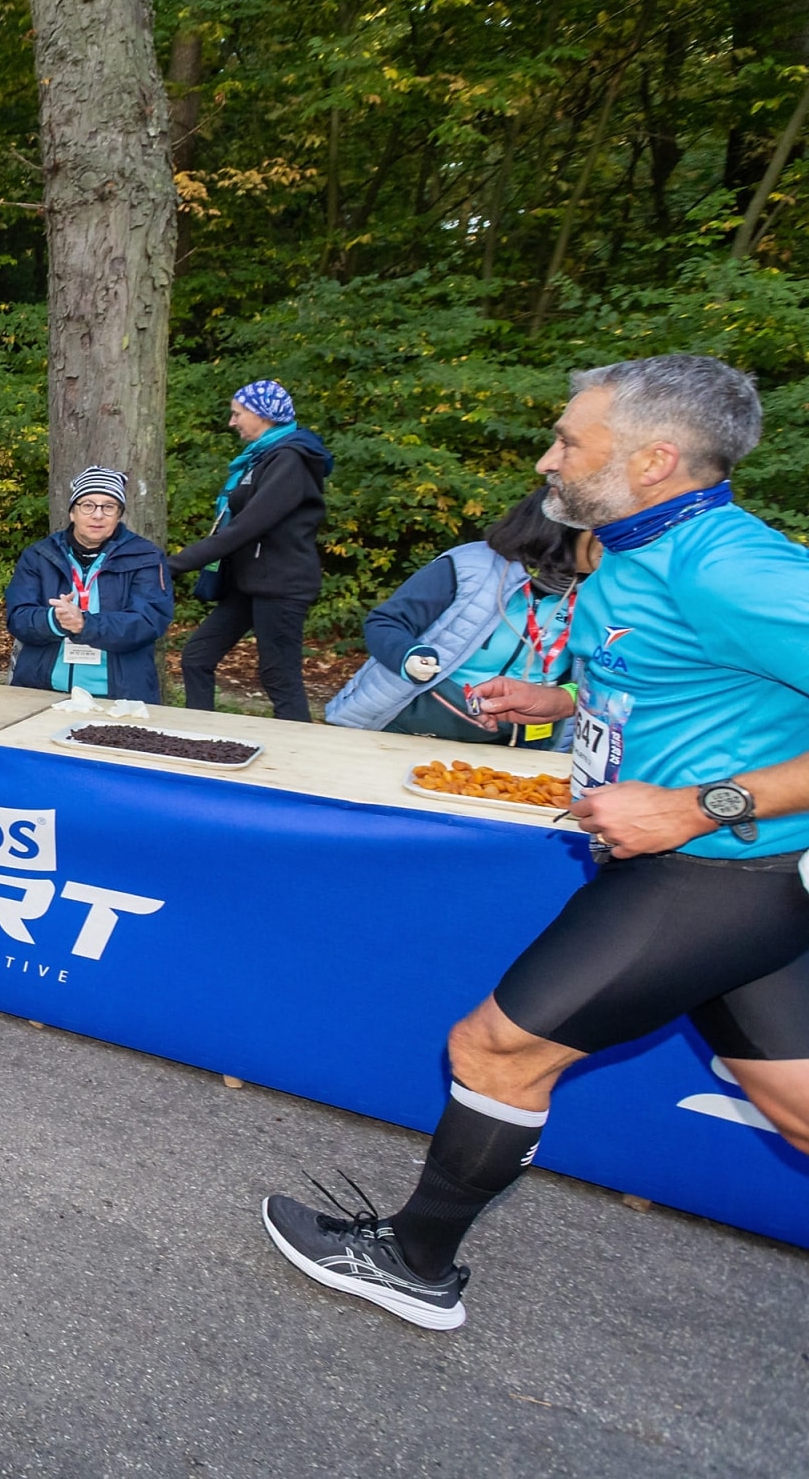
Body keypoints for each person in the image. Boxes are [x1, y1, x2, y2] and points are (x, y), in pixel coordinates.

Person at [261, 353, 809, 1333]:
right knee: (797, 1105)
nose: (548, 457)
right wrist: (562, 700)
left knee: (495, 1047)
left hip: (710, 872)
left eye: (569, 439)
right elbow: (691, 680)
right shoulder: (628, 549)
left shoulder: (728, 564)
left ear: (654, 459)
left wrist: (695, 804)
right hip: (716, 879)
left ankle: (414, 1262)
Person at [324, 486, 595, 749]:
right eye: (599, 530)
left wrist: (566, 697)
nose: (610, 542)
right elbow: (386, 623)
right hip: (412, 727)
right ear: (563, 530)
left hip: (517, 742)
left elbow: (606, 676)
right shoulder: (471, 566)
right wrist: (410, 657)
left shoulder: (604, 592)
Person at [168, 380, 333, 721]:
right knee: (197, 657)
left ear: (262, 415)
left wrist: (172, 565)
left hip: (282, 586)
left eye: (237, 414)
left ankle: (299, 758)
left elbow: (247, 527)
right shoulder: (261, 458)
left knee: (279, 677)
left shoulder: (291, 460)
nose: (232, 422)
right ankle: (199, 738)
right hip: (249, 583)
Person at [2, 466, 173, 701]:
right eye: (88, 505)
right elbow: (18, 617)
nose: (98, 515)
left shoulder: (145, 557)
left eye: (108, 507)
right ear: (73, 512)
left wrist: (85, 624)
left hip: (119, 697)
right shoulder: (39, 555)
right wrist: (55, 620)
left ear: (119, 514)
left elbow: (149, 621)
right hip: (41, 691)